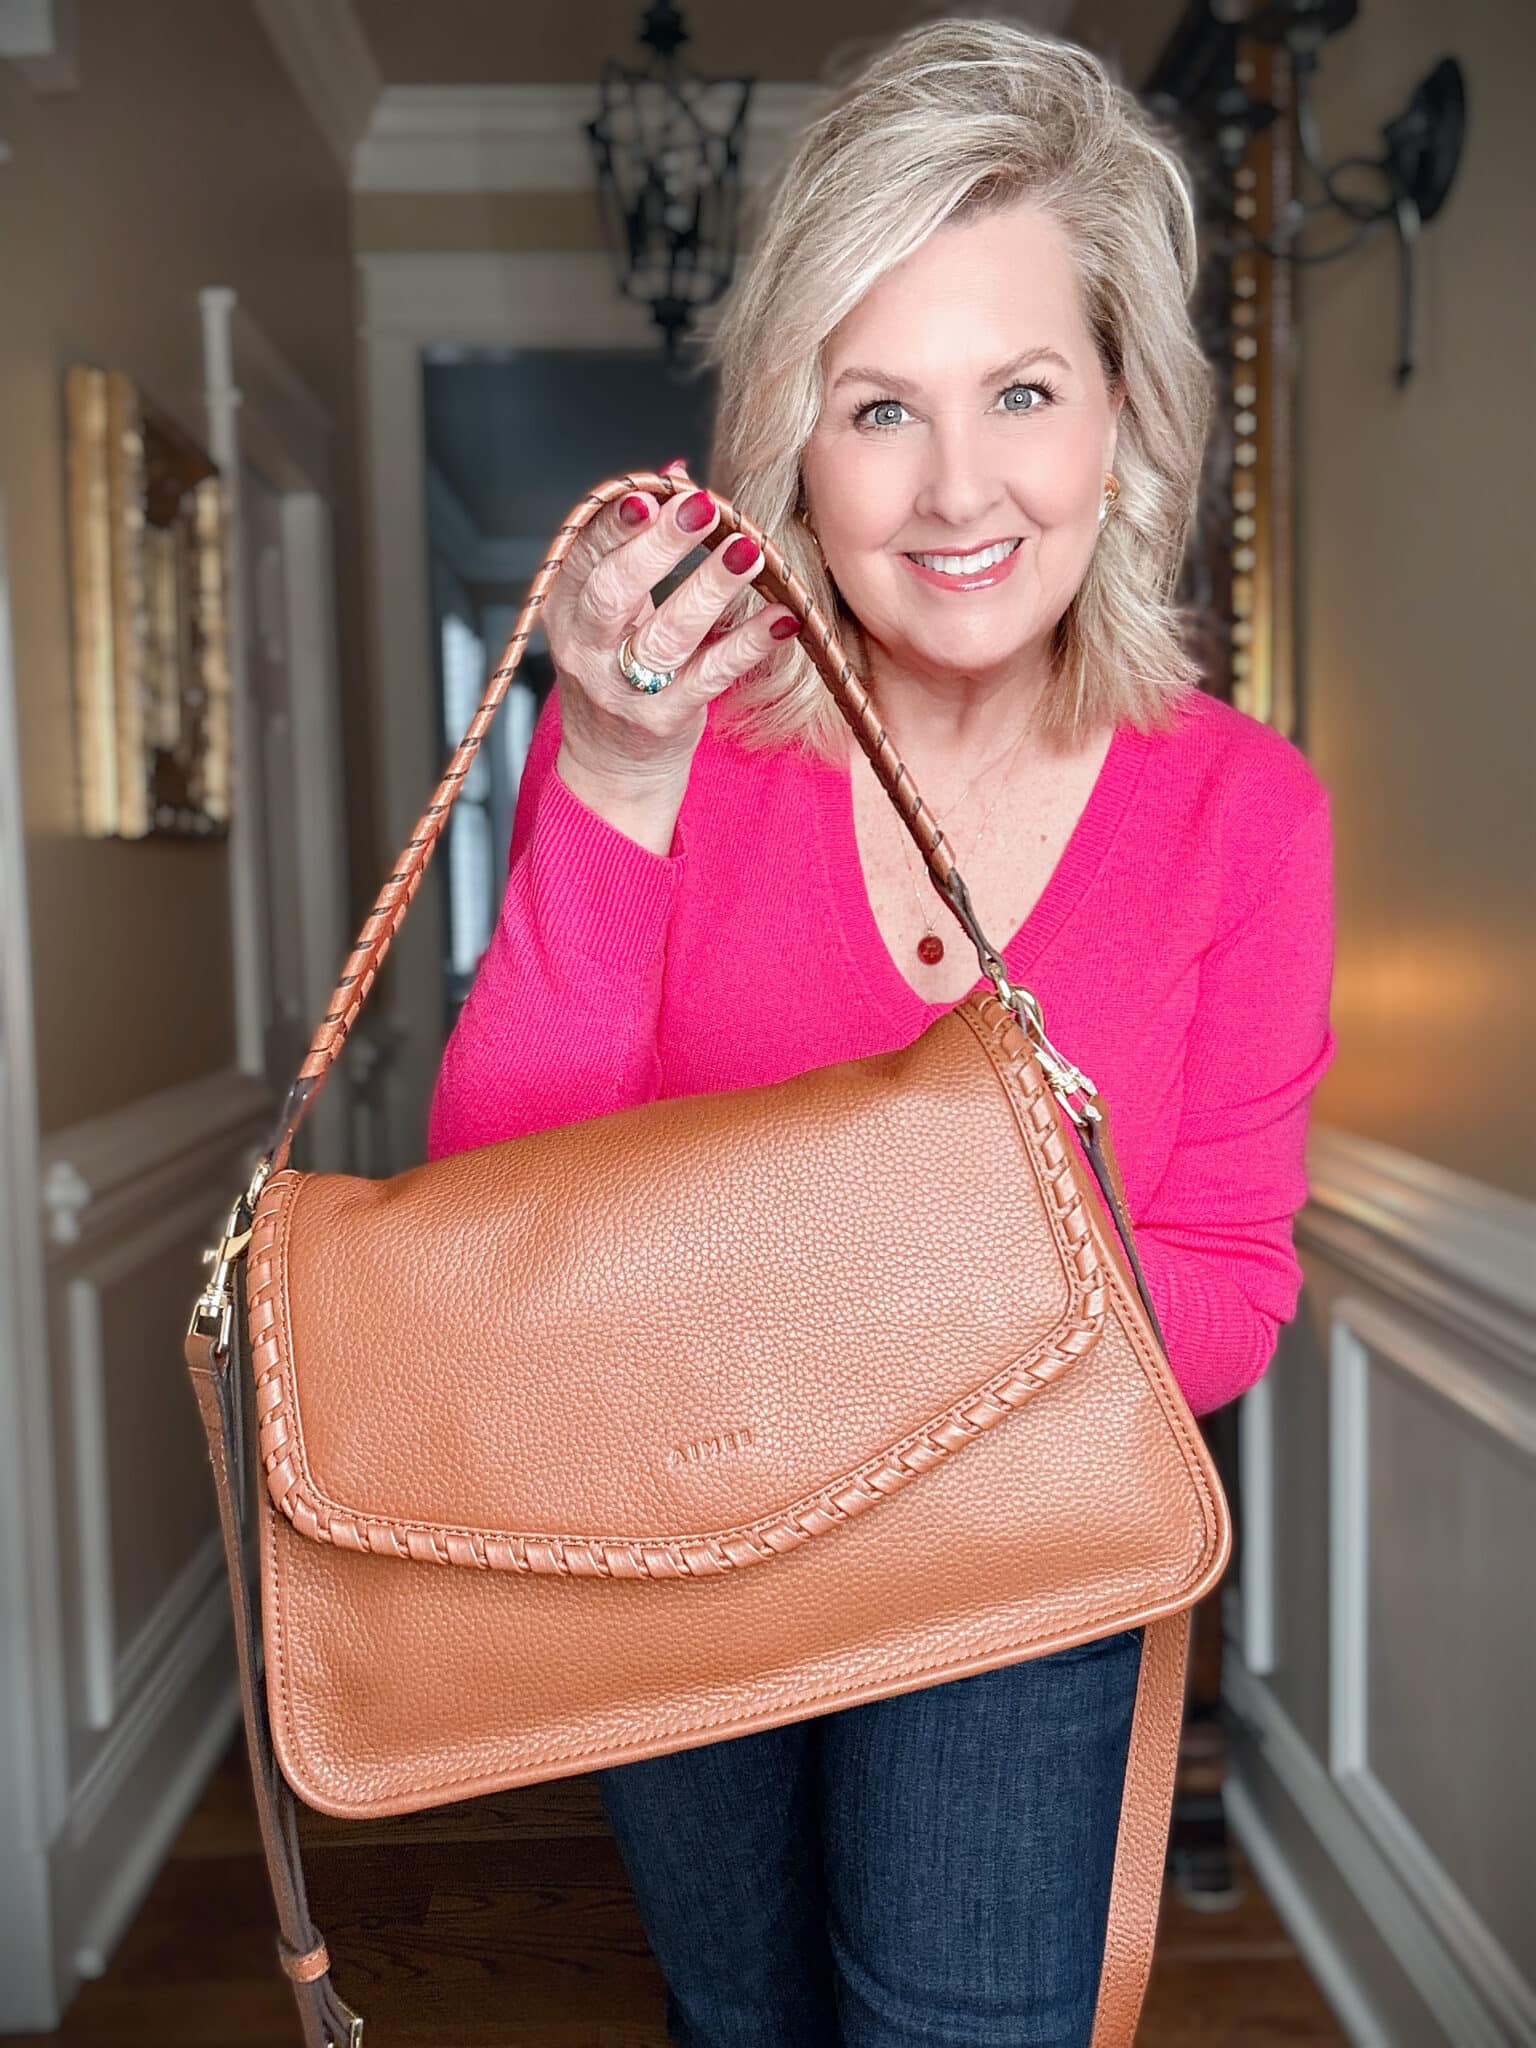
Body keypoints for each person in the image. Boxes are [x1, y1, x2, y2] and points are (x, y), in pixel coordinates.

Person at [426, 16, 1334, 2045]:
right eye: (876, 408)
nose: (953, 492)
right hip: (685, 1543)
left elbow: (1226, 1289)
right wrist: (616, 775)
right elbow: (508, 1207)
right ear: (790, 447)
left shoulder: (1244, 816)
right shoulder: (683, 744)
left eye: (1020, 389)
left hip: (1025, 1581)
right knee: (736, 2020)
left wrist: (803, 1291)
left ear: (1123, 418)